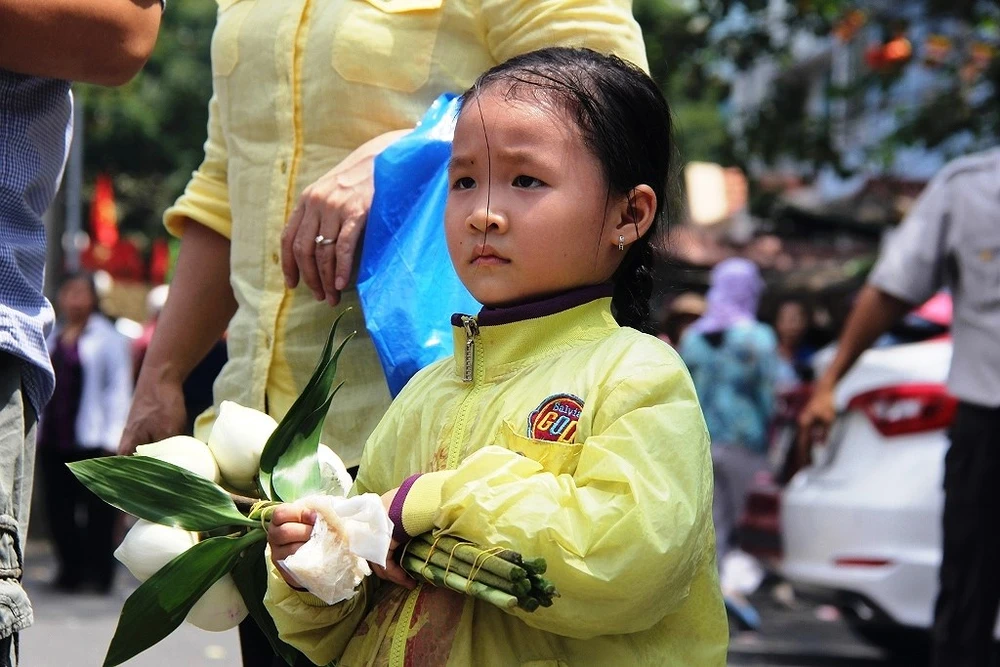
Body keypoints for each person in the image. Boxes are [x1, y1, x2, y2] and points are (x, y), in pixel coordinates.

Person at [116, 5, 647, 664]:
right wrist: (163, 372)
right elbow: (225, 189)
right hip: (261, 462)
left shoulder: (641, 380)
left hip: (437, 454)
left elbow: (608, 99)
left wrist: (412, 154)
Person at [263, 47, 727, 666]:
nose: (483, 212)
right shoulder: (424, 394)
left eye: (526, 180)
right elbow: (349, 623)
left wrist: (425, 504)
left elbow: (627, 561)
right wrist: (316, 570)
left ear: (628, 213)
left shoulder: (637, 376)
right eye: (462, 181)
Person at [0, 2, 160, 661]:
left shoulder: (108, 336)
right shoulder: (75, 337)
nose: (71, 297)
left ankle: (90, 571)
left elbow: (122, 30)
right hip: (69, 427)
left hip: (88, 430)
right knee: (68, 520)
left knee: (89, 519)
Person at [797, 148, 1000, 667]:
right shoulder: (971, 185)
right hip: (987, 425)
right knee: (968, 595)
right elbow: (893, 290)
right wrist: (830, 383)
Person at [679, 258, 778, 629]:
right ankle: (739, 593)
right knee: (747, 523)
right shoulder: (758, 338)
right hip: (745, 441)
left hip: (701, 441)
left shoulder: (692, 338)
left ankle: (715, 597)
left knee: (713, 523)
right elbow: (768, 395)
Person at [37, 274, 133, 594]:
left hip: (93, 439)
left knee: (98, 512)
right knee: (59, 510)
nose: (73, 299)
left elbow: (117, 390)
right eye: (68, 292)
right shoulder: (52, 334)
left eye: (80, 293)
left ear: (92, 299)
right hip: (55, 436)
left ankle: (99, 573)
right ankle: (70, 570)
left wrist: (114, 438)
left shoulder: (108, 338)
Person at [773, 298, 815, 390]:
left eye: (798, 319)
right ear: (778, 323)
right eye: (790, 319)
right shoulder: (769, 356)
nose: (794, 325)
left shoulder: (812, 357)